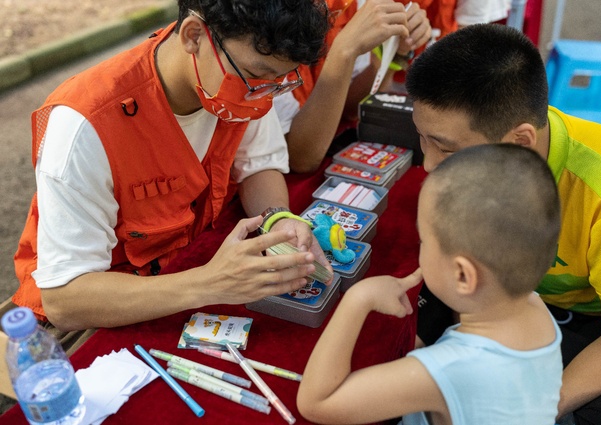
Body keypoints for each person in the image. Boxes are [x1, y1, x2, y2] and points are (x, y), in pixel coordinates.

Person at [9, 0, 334, 346]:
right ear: (193, 36)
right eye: (256, 77)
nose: (263, 97)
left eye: (279, 81)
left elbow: (259, 164)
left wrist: (276, 219)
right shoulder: (85, 125)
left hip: (188, 270)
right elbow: (65, 300)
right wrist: (210, 283)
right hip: (106, 311)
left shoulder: (239, 82)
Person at [405, 23, 601, 424]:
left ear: (521, 142)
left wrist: (537, 410)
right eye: (422, 139)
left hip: (599, 320)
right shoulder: (485, 155)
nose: (428, 165)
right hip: (513, 299)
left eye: (444, 148)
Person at [297, 143, 563, 425]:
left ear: (463, 276)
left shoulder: (448, 370)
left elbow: (317, 403)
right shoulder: (535, 307)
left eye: (423, 240)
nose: (419, 248)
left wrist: (358, 299)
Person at [275, 0, 430, 173]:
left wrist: (395, 50)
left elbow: (353, 108)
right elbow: (302, 159)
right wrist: (344, 52)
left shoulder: (352, 4)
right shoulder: (272, 13)